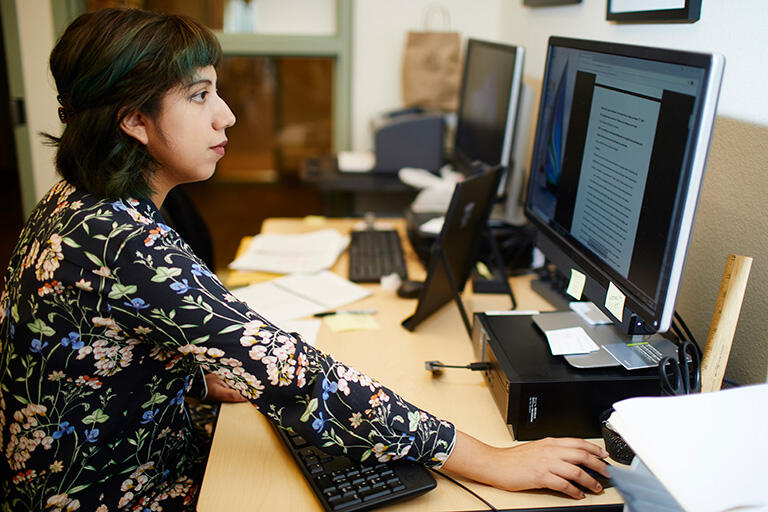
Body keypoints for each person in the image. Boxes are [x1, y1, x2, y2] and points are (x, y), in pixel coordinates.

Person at [0, 8, 609, 511]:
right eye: (200, 95)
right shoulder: (122, 241)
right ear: (134, 120)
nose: (227, 115)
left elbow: (105, 354)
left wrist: (198, 375)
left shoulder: (79, 203)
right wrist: (493, 460)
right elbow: (295, 374)